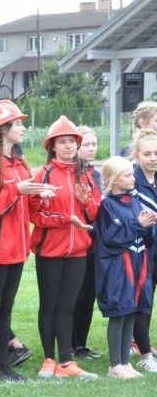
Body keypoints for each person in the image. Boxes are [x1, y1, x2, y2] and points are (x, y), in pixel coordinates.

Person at [0, 100, 50, 382]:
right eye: (17, 123)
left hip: (17, 249)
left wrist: (40, 194)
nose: (23, 128)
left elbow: (23, 206)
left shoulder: (17, 162)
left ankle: (3, 365)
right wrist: (17, 190)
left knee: (5, 308)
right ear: (3, 129)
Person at [29, 117, 99, 380]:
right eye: (62, 142)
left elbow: (95, 213)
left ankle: (66, 362)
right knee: (49, 305)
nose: (68, 146)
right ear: (52, 146)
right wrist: (64, 220)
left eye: (72, 141)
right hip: (49, 250)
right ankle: (49, 359)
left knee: (68, 306)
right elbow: (34, 215)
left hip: (78, 251)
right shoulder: (43, 174)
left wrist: (86, 202)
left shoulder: (87, 175)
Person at [96, 156, 156, 379]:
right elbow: (112, 237)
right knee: (119, 312)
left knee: (131, 310)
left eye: (132, 174)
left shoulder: (135, 202)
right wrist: (138, 225)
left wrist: (149, 225)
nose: (133, 178)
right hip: (118, 269)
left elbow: (145, 234)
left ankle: (125, 362)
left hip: (139, 265)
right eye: (127, 175)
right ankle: (115, 365)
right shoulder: (108, 205)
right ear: (113, 179)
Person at [72, 126, 103, 360]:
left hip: (94, 242)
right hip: (75, 241)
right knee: (76, 295)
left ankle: (81, 344)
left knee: (89, 295)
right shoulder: (72, 173)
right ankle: (71, 344)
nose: (91, 149)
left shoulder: (96, 174)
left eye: (94, 144)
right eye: (86, 145)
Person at [128, 128, 157, 373]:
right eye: (147, 154)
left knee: (149, 298)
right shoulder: (131, 181)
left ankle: (143, 342)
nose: (153, 158)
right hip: (141, 249)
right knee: (142, 299)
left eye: (156, 153)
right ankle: (141, 349)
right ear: (136, 156)